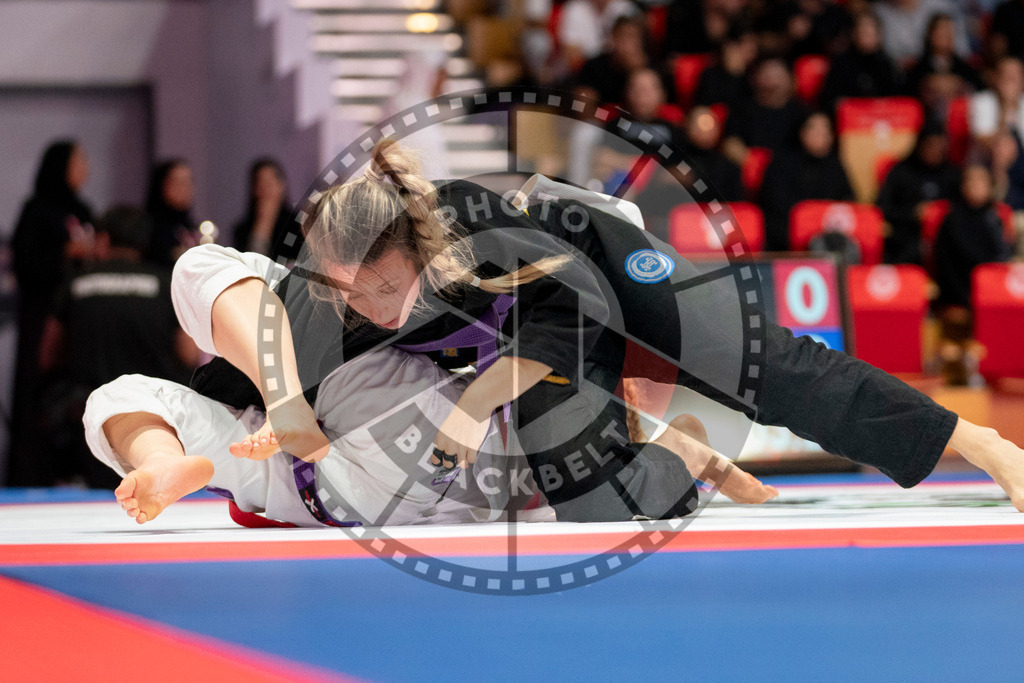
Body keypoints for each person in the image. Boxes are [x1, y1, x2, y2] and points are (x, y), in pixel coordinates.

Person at [176, 140, 1024, 520]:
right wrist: (263, 405)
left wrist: (473, 412)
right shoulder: (335, 285)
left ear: (418, 252)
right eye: (349, 298)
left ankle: (980, 445)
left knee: (757, 362)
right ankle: (681, 450)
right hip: (527, 326)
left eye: (384, 290)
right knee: (589, 498)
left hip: (592, 258)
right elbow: (250, 349)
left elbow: (557, 324)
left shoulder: (482, 246)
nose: (367, 309)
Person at [39, 206, 200, 488]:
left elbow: (48, 355)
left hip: (86, 424)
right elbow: (189, 354)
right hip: (156, 418)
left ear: (104, 239)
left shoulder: (75, 284)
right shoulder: (165, 284)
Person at [8, 140, 94, 486]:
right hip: (41, 317)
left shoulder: (84, 209)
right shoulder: (36, 210)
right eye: (80, 160)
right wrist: (65, 252)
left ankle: (77, 468)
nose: (86, 167)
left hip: (76, 316)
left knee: (75, 390)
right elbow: (25, 265)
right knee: (37, 391)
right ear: (60, 166)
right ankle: (31, 473)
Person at [759, 111, 855, 251]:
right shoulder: (781, 164)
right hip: (786, 238)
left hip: (830, 235)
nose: (823, 135)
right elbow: (774, 207)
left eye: (827, 130)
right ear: (802, 132)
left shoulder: (834, 166)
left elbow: (848, 200)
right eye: (816, 129)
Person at [877, 121, 960, 264]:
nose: (936, 151)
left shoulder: (952, 174)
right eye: (931, 145)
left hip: (945, 237)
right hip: (907, 234)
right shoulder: (900, 172)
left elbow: (963, 209)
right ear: (920, 145)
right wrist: (913, 212)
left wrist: (940, 212)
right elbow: (882, 208)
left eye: (940, 146)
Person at [933, 165, 1014, 309]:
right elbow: (945, 265)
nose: (975, 185)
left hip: (995, 291)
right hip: (960, 293)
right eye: (970, 180)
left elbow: (1003, 257)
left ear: (990, 186)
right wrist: (966, 296)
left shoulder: (995, 218)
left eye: (981, 180)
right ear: (962, 186)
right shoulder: (952, 220)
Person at [722, 56, 808, 168]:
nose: (772, 84)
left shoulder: (802, 113)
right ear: (755, 79)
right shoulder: (742, 109)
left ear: (791, 80)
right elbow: (731, 142)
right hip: (748, 169)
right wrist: (753, 163)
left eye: (778, 77)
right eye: (767, 77)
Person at [818, 10, 902, 112]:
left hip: (882, 121)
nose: (865, 32)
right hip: (851, 122)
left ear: (879, 35)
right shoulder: (841, 64)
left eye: (869, 29)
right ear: (853, 33)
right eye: (861, 28)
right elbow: (829, 99)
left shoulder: (888, 65)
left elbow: (899, 101)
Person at [905, 13, 984, 115]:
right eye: (941, 31)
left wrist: (958, 84)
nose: (945, 36)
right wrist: (929, 83)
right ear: (930, 34)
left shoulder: (964, 68)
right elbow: (907, 94)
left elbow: (980, 90)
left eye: (949, 32)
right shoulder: (917, 68)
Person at [232, 159, 294, 259]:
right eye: (260, 184)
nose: (265, 190)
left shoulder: (298, 225)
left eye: (269, 184)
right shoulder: (242, 230)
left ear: (282, 186)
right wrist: (263, 223)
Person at [145, 159, 201, 266]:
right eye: (178, 182)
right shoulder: (147, 228)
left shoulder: (193, 228)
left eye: (189, 182)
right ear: (162, 185)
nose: (185, 188)